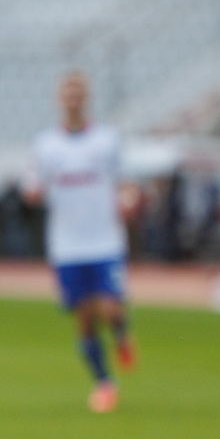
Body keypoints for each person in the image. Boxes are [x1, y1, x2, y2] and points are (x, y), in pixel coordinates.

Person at [24, 71, 136, 413]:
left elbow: (125, 182)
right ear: (60, 100)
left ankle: (121, 333)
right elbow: (32, 188)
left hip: (104, 241)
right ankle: (104, 383)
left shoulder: (106, 140)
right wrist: (33, 193)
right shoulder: (46, 145)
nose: (72, 100)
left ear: (86, 98)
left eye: (78, 93)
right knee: (85, 316)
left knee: (110, 307)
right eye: (67, 94)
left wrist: (128, 200)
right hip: (66, 244)